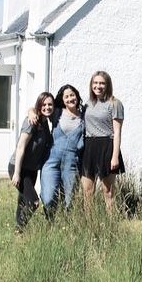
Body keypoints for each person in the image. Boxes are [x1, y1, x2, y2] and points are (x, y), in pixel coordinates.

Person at [8, 92, 53, 231]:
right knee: (33, 202)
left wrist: (31, 110)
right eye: (44, 104)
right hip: (19, 167)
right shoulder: (31, 122)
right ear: (39, 106)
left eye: (50, 104)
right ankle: (19, 229)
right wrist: (16, 173)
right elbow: (20, 147)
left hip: (32, 169)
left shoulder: (45, 122)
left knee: (22, 200)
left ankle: (19, 231)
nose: (47, 107)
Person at [81, 71, 125, 213]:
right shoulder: (87, 104)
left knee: (108, 192)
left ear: (107, 85)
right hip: (89, 147)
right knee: (87, 191)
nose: (98, 86)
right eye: (95, 83)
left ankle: (111, 225)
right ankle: (89, 224)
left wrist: (115, 156)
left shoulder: (114, 103)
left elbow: (117, 132)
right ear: (91, 85)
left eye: (102, 83)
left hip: (107, 147)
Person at [39, 84, 84, 219]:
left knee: (70, 201)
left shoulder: (84, 117)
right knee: (48, 198)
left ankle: (66, 226)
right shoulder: (57, 112)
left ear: (76, 96)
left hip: (71, 165)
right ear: (62, 100)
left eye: (72, 95)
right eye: (66, 96)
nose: (70, 98)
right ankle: (50, 220)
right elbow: (39, 109)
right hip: (51, 161)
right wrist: (31, 111)